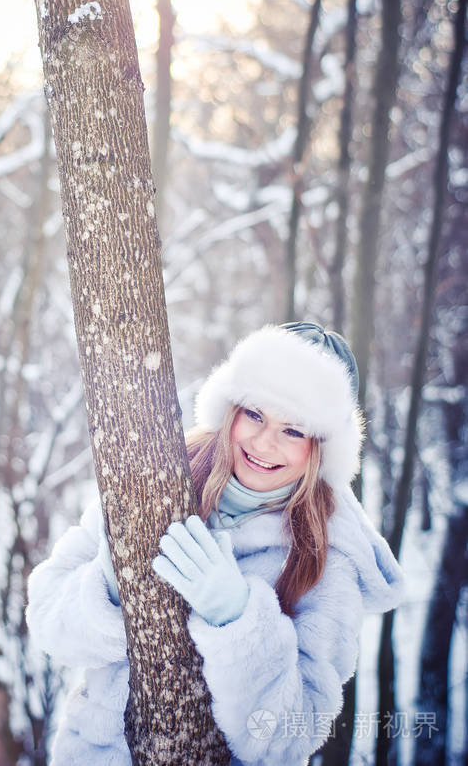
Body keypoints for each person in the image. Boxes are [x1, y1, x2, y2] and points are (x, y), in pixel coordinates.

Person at [26, 322, 405, 765]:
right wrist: (110, 589)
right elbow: (49, 623)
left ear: (321, 448)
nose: (265, 443)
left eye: (294, 430)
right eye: (257, 415)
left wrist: (238, 619)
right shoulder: (163, 472)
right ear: (232, 409)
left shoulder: (329, 553)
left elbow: (289, 736)